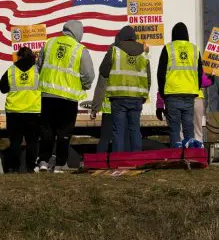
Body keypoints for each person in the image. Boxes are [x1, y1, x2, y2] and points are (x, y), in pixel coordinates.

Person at [37, 20, 95, 172]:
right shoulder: (80, 49)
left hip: (47, 95)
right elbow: (88, 74)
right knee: (64, 132)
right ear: (79, 33)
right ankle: (60, 164)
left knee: (46, 130)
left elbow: (39, 66)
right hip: (68, 98)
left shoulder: (49, 43)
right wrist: (85, 85)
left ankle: (43, 161)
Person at [100, 26, 150, 152]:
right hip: (137, 97)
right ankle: (136, 160)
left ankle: (118, 160)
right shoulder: (144, 52)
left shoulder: (114, 50)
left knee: (118, 131)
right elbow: (148, 77)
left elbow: (103, 71)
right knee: (135, 130)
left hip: (118, 97)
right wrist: (144, 94)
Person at [157, 22, 203, 147]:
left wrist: (162, 93)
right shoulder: (195, 49)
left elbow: (161, 73)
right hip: (189, 94)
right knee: (188, 126)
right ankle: (190, 154)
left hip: (172, 94)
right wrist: (196, 88)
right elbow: (200, 73)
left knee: (174, 128)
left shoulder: (168, 48)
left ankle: (176, 154)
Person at [0, 47, 41, 173]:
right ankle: (31, 167)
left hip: (14, 111)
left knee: (15, 141)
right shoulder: (38, 70)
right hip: (33, 111)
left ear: (18, 56)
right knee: (32, 141)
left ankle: (14, 167)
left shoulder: (11, 70)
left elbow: (3, 88)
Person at [156, 71, 214, 143]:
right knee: (197, 130)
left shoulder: (171, 64)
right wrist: (212, 78)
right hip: (196, 98)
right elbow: (204, 82)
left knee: (179, 130)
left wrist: (160, 104)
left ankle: (181, 150)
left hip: (175, 98)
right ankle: (198, 150)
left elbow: (163, 85)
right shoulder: (194, 62)